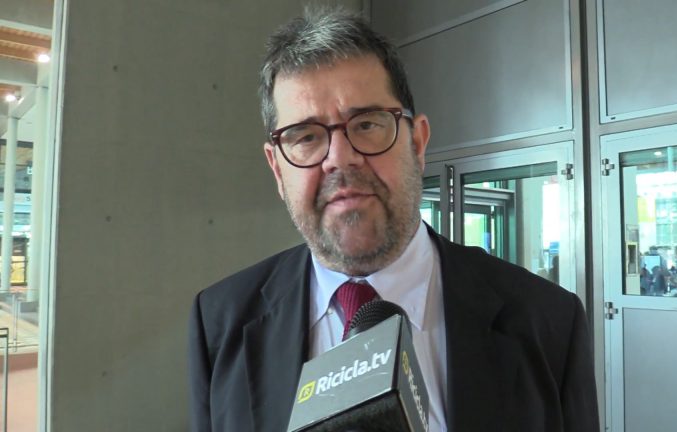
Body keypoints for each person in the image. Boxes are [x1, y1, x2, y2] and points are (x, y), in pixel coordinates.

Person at [187, 8, 599, 432]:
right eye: (306, 137)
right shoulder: (219, 323)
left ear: (417, 143)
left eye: (367, 124)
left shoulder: (548, 322)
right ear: (277, 170)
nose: (340, 158)